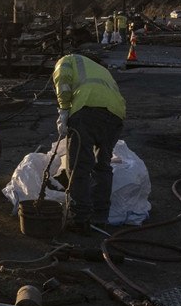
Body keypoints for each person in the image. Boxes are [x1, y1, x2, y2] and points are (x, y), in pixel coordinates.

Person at [52, 53, 126, 232]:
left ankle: (80, 219)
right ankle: (100, 216)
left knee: (79, 165)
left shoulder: (66, 61)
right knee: (103, 165)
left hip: (87, 111)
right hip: (116, 114)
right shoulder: (98, 69)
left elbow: (63, 83)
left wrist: (63, 110)